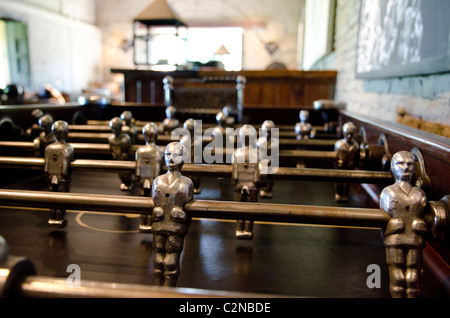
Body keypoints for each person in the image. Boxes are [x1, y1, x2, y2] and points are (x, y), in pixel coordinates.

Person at [380, 150, 427, 298]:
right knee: (398, 277)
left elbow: (425, 221)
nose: (405, 168)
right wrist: (391, 226)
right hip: (395, 240)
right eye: (400, 163)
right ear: (393, 166)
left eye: (409, 164)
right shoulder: (388, 193)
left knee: (413, 278)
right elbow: (383, 223)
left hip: (414, 240)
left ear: (415, 167)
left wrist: (421, 226)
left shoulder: (419, 194)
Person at [151, 142, 194, 287]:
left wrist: (181, 215)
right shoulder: (158, 181)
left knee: (171, 262)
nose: (171, 158)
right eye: (168, 154)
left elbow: (188, 214)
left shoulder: (186, 183)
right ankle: (157, 292)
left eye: (175, 155)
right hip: (159, 224)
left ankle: (168, 293)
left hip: (175, 227)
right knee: (157, 261)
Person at [135, 123, 165, 233]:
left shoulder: (140, 151)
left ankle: (144, 222)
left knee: (143, 203)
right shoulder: (160, 151)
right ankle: (153, 223)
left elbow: (138, 170)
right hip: (155, 181)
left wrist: (139, 180)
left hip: (143, 181)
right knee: (155, 203)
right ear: (156, 135)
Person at [44, 120, 74, 227]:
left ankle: (53, 217)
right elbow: (65, 167)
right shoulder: (68, 149)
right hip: (62, 177)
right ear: (66, 133)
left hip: (51, 176)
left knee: (52, 197)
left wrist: (49, 175)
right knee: (62, 198)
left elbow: (46, 167)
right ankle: (59, 217)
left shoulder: (48, 148)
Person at [232, 125, 259, 240]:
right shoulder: (257, 153)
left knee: (239, 210)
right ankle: (248, 230)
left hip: (239, 186)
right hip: (252, 187)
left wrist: (238, 185)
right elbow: (258, 174)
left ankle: (239, 229)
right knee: (250, 211)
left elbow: (235, 173)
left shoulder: (236, 153)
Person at [334, 122, 359, 202]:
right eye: (347, 134)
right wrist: (337, 163)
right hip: (340, 166)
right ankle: (338, 194)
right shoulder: (339, 144)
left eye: (351, 134)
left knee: (347, 182)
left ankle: (344, 195)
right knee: (339, 181)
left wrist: (353, 163)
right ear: (344, 133)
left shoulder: (355, 145)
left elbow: (356, 157)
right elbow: (335, 157)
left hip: (349, 167)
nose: (349, 136)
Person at [108, 117, 134, 190]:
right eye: (113, 128)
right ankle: (124, 182)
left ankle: (129, 183)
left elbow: (129, 151)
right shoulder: (111, 139)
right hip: (117, 158)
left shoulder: (126, 139)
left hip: (126, 159)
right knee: (120, 173)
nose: (114, 130)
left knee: (127, 173)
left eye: (116, 128)